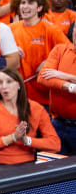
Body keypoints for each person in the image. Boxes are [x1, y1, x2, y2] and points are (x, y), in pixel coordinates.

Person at [0, 68, 60, 165]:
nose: (4, 86)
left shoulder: (36, 108)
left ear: (18, 84)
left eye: (9, 82)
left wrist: (27, 140)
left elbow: (55, 144)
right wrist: (13, 137)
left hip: (28, 164)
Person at [9, 0, 69, 106]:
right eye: (23, 3)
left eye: (30, 3)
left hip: (43, 97)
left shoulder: (51, 30)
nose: (25, 7)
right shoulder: (9, 29)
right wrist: (10, 52)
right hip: (17, 95)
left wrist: (50, 62)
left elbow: (70, 53)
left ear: (39, 8)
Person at [38, 27, 76, 155]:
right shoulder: (60, 50)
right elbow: (42, 77)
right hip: (56, 124)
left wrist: (63, 75)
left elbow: (53, 76)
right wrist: (70, 86)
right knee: (48, 169)